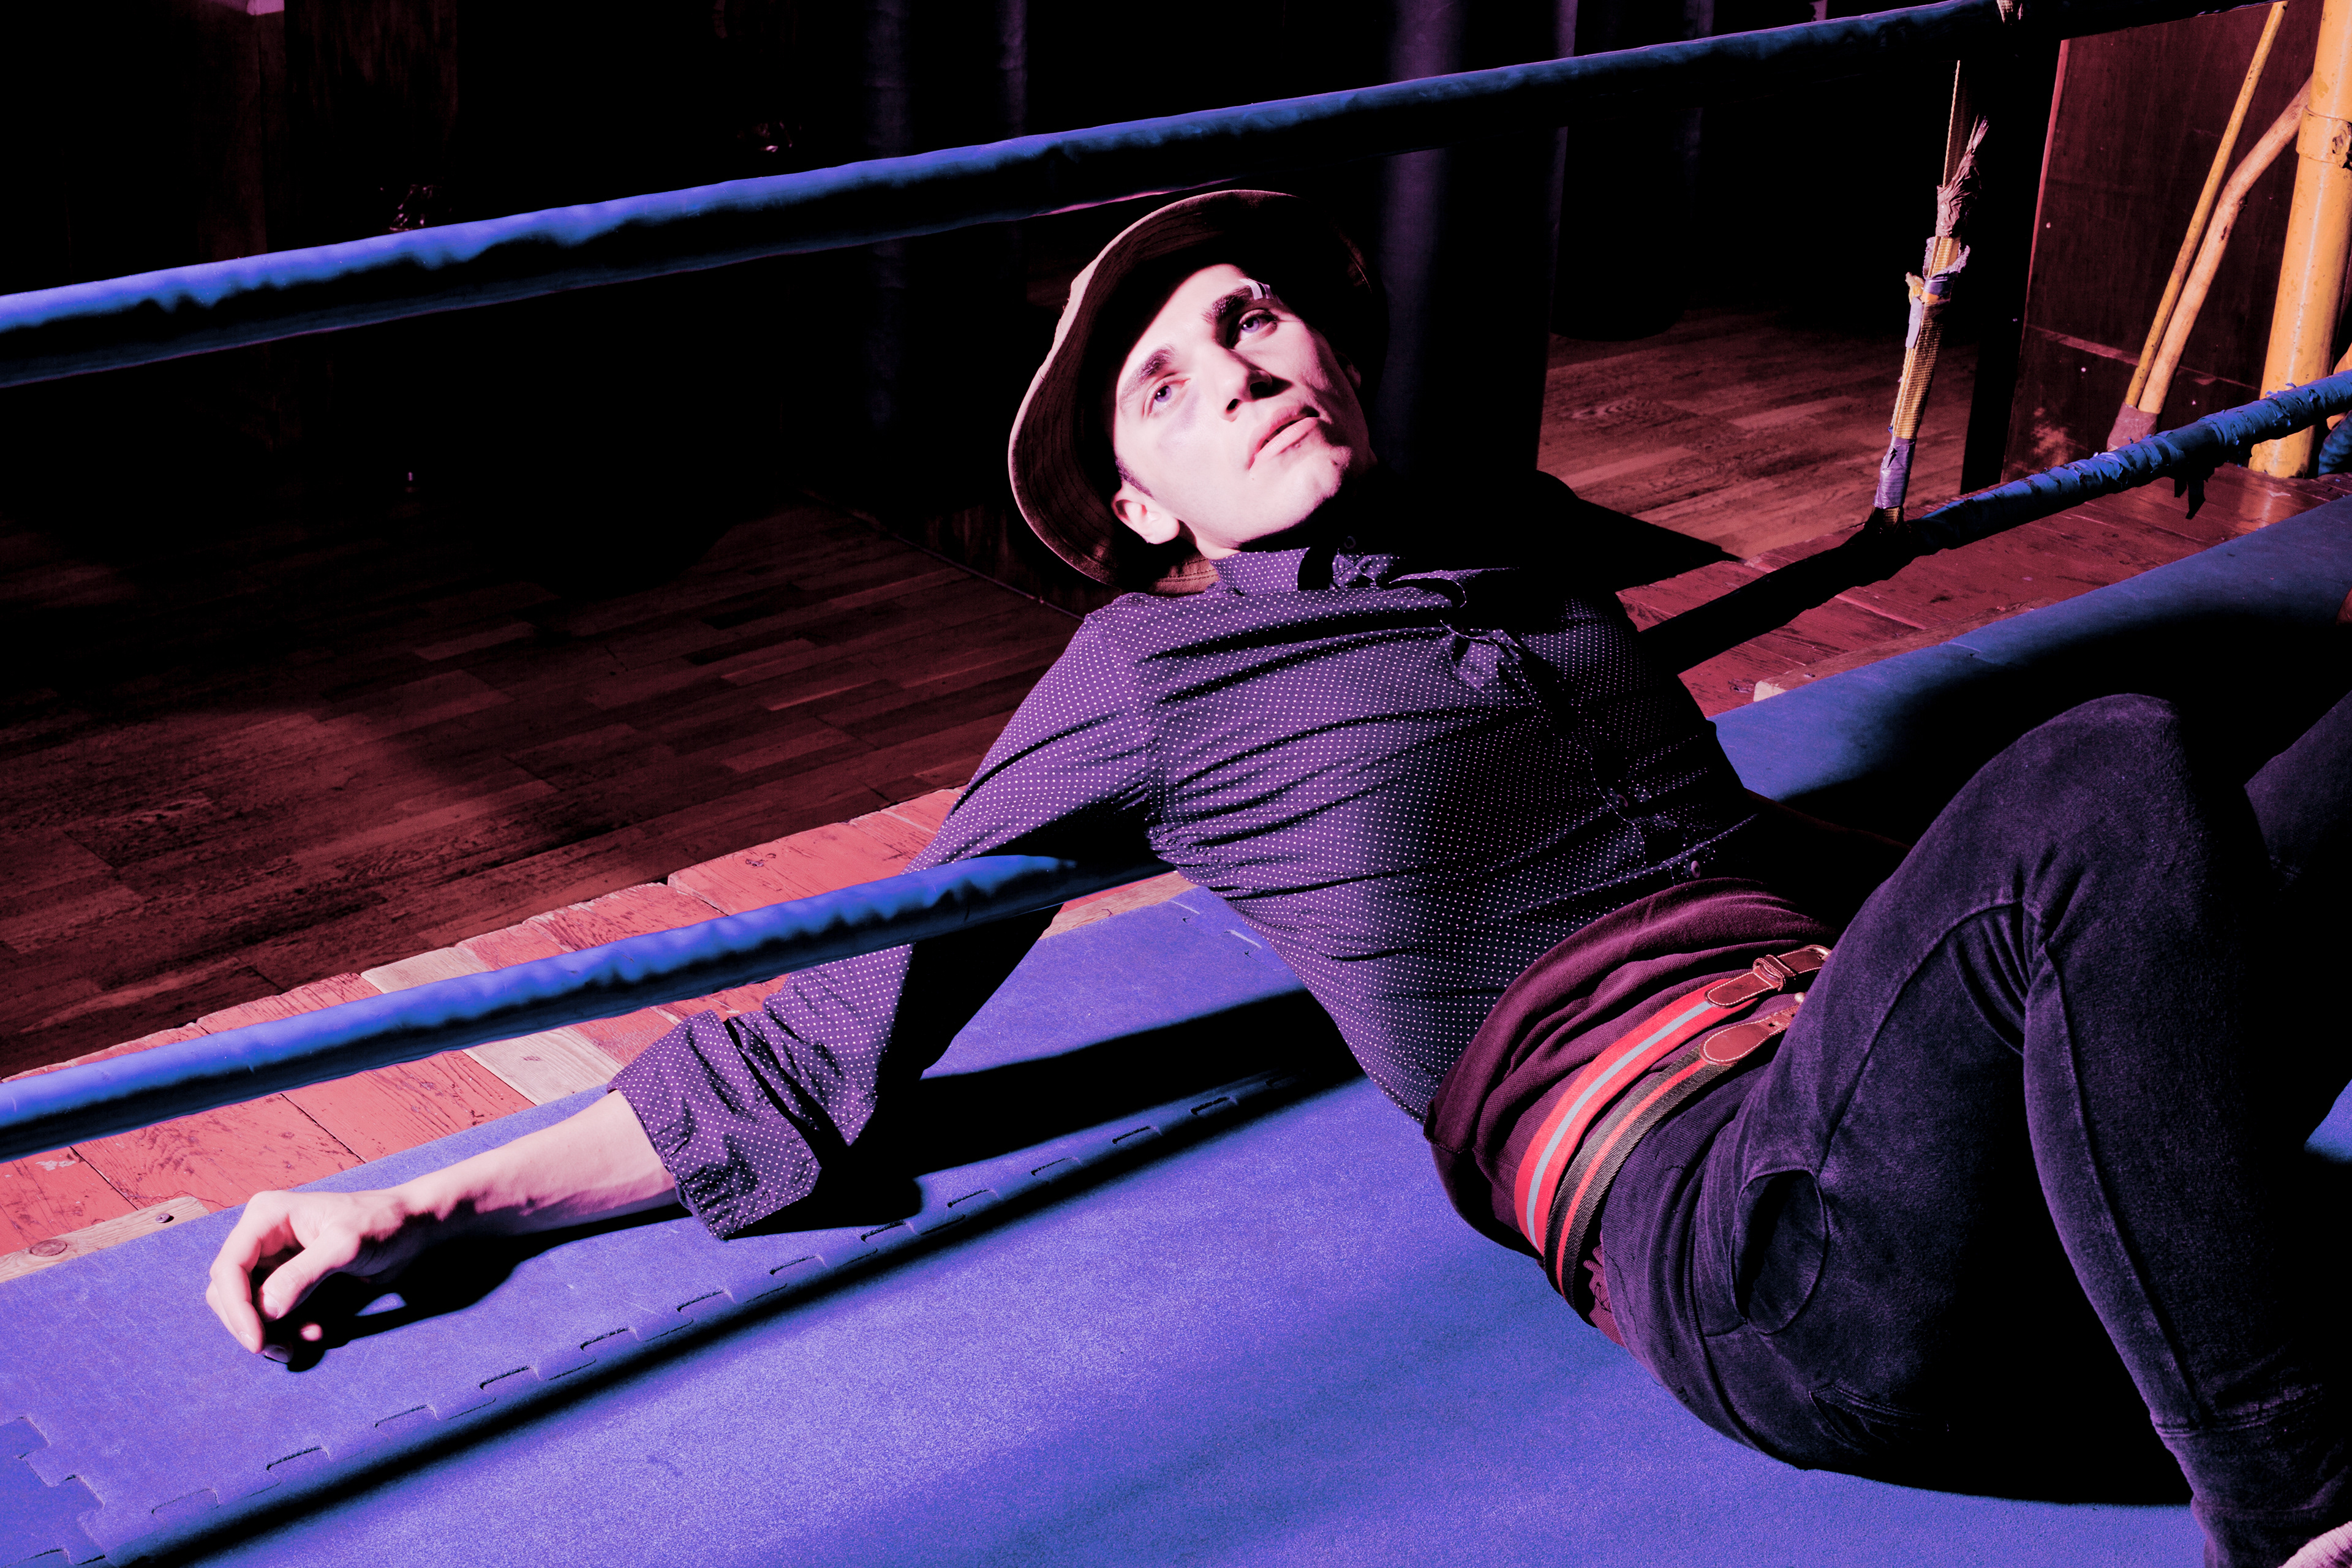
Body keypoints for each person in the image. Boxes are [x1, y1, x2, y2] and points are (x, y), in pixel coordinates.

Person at [205, 190, 2352, 1568]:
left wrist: (2059, 957)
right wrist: (426, 1201)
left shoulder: (1509, 544)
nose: (1237, 366)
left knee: (2217, 783)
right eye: (1166, 383)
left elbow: (1763, 866)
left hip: (1929, 1123)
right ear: (1141, 507)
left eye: (1249, 319)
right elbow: (824, 1037)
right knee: (2106, 766)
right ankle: (2303, 1511)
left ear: (1326, 349)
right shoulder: (1145, 678)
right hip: (1760, 1247)